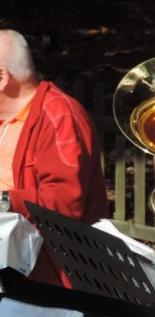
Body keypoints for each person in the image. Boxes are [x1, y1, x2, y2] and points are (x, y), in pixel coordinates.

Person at [0, 29, 108, 286]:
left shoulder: (59, 116)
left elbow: (64, 204)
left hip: (52, 283)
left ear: (2, 77)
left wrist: (4, 201)